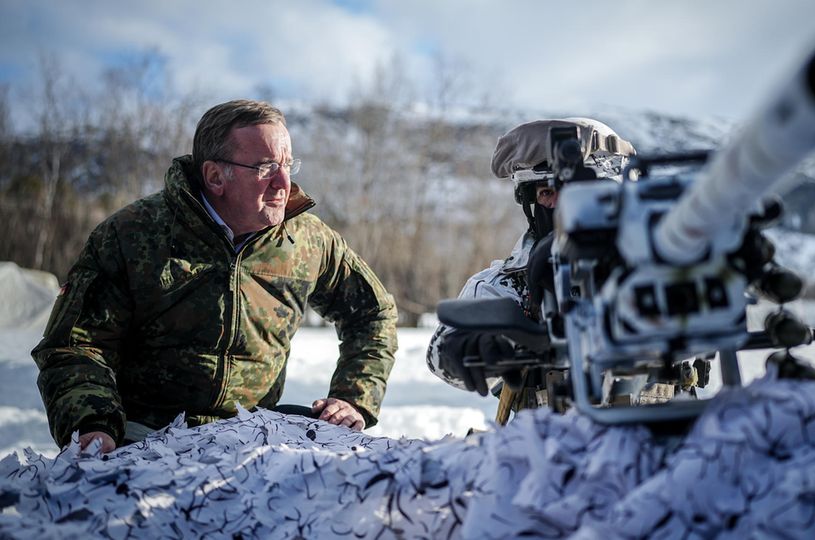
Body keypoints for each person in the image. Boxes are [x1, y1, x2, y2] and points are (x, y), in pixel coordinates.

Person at [33, 100, 398, 453]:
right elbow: (76, 344)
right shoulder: (132, 235)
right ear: (214, 175)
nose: (284, 183)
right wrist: (93, 422)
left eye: (289, 165)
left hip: (256, 435)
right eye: (266, 167)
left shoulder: (308, 239)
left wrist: (354, 398)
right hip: (143, 435)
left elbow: (373, 313)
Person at [426, 118, 635, 418]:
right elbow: (441, 354)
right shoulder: (506, 283)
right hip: (548, 456)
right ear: (532, 204)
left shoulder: (661, 270)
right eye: (546, 193)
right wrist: (474, 347)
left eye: (577, 191)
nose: (561, 205)